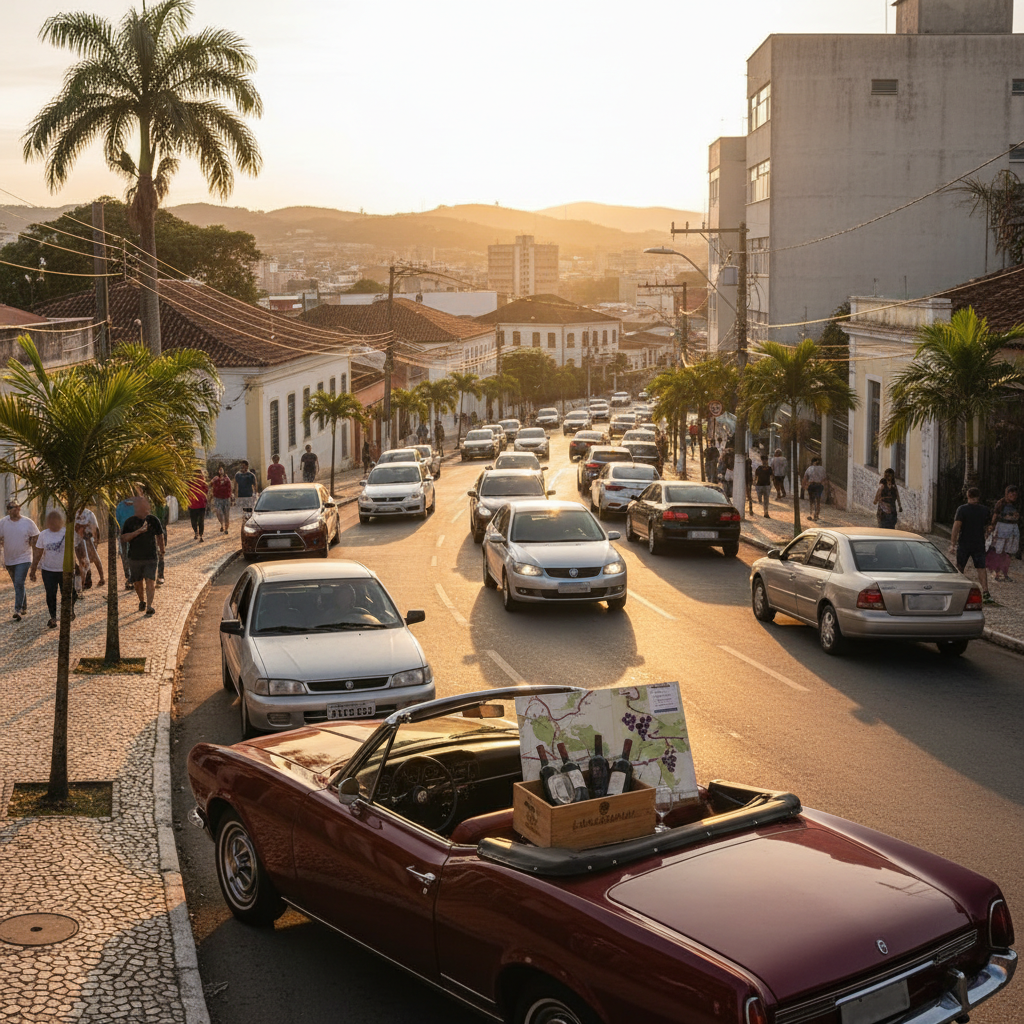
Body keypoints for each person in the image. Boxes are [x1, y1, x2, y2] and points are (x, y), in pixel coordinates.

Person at [29, 510, 88, 629]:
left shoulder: (68, 533)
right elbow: (38, 553)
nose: (52, 523)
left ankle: (69, 611)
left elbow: (77, 548)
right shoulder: (44, 535)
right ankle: (53, 617)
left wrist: (81, 563)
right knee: (51, 594)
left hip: (65, 570)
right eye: (50, 521)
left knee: (69, 593)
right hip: (48, 570)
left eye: (55, 520)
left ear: (61, 521)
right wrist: (33, 569)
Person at [121, 495, 165, 616]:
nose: (145, 508)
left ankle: (150, 605)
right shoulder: (130, 522)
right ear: (136, 508)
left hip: (151, 557)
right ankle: (142, 601)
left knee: (150, 580)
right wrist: (139, 531)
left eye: (146, 505)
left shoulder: (154, 520)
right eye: (141, 506)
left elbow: (160, 535)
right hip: (135, 558)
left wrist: (162, 550)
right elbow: (124, 538)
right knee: (138, 583)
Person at [950, 487, 992, 603]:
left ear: (968, 496)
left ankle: (957, 591)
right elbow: (988, 527)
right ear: (978, 497)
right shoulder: (985, 510)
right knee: (981, 568)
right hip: (978, 543)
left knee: (960, 567)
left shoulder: (962, 510)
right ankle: (986, 591)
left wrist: (953, 543)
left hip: (964, 543)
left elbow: (956, 527)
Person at [0, 499, 39, 621]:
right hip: (9, 559)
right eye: (12, 507)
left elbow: (36, 536)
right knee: (18, 584)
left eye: (17, 506)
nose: (16, 509)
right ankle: (24, 607)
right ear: (8, 510)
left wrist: (33, 542)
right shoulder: (3, 522)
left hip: (24, 558)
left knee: (18, 582)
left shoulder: (28, 522)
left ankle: (17, 610)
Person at [987, 484, 1020, 583]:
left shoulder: (1017, 505)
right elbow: (995, 515)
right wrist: (992, 526)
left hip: (1012, 529)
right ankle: (997, 574)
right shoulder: (1001, 503)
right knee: (999, 551)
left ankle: (1005, 573)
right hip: (1002, 528)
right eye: (1011, 494)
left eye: (1015, 494)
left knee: (1007, 553)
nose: (1013, 496)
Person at [115, 492, 139, 590]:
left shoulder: (121, 506)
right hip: (127, 535)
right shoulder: (121, 506)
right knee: (126, 556)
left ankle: (131, 577)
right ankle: (130, 577)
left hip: (131, 535)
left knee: (128, 556)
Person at [186, 468, 209, 542]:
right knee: (196, 521)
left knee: (198, 521)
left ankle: (200, 535)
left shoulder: (202, 482)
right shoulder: (191, 482)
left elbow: (206, 491)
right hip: (194, 504)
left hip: (199, 504)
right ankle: (198, 533)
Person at [803, 456, 827, 521]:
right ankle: (816, 515)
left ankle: (811, 514)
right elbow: (824, 478)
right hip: (819, 486)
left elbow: (805, 478)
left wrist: (804, 485)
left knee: (811, 501)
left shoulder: (809, 468)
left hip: (811, 486)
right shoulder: (822, 469)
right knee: (818, 500)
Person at [210, 465, 232, 532]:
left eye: (222, 469)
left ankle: (226, 528)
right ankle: (221, 524)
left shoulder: (227, 479)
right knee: (218, 512)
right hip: (217, 498)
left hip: (226, 498)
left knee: (226, 514)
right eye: (220, 470)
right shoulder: (215, 479)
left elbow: (230, 489)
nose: (221, 471)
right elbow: (211, 485)